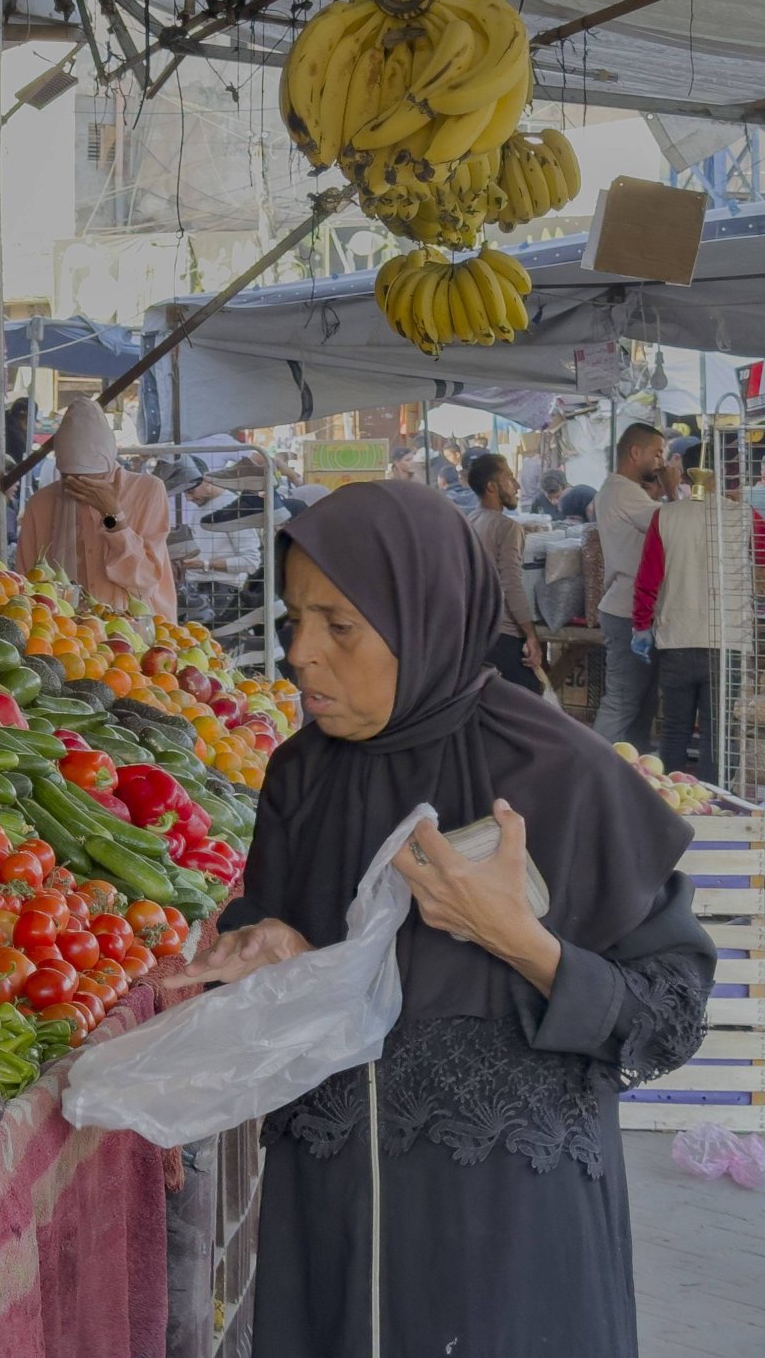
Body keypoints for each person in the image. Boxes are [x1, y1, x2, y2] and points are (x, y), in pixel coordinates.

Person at [174, 481, 711, 1358]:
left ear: (424, 613)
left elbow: (672, 1015)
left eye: (338, 625)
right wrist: (275, 955)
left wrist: (522, 941)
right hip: (333, 1230)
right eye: (293, 619)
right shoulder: (302, 777)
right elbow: (278, 956)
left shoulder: (562, 776)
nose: (301, 654)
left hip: (508, 1249)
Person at [631, 452, 755, 788]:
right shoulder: (745, 517)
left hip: (676, 640)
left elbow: (648, 580)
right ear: (729, 474)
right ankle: (714, 803)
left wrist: (641, 625)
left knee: (674, 730)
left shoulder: (666, 516)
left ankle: (671, 803)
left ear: (687, 472)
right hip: (728, 644)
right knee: (718, 736)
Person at [13, 398, 174, 618]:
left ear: (108, 464)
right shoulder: (42, 503)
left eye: (91, 479)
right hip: (67, 634)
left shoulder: (147, 491)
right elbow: (29, 582)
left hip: (138, 628)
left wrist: (111, 514)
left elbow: (143, 579)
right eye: (72, 479)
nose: (82, 488)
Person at [594, 423, 683, 748]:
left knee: (642, 705)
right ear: (635, 453)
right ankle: (595, 770)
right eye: (657, 452)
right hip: (628, 612)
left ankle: (632, 774)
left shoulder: (624, 491)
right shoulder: (622, 491)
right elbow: (674, 526)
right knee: (622, 701)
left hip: (633, 610)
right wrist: (673, 490)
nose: (661, 461)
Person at [466, 453, 542, 692]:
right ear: (492, 487)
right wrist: (530, 634)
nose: (517, 485)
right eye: (509, 477)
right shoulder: (508, 527)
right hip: (505, 634)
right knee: (531, 702)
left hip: (477, 633)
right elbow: (511, 584)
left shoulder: (470, 521)